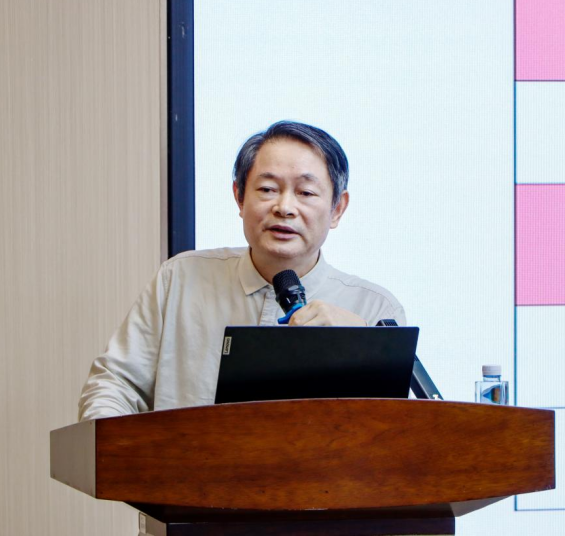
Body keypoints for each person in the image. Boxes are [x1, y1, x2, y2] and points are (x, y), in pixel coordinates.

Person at [78, 121, 405, 420]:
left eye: (305, 192)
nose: (284, 207)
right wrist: (116, 453)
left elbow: (391, 431)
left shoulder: (374, 309)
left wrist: (366, 342)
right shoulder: (179, 279)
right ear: (239, 196)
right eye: (267, 189)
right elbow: (114, 384)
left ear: (337, 209)